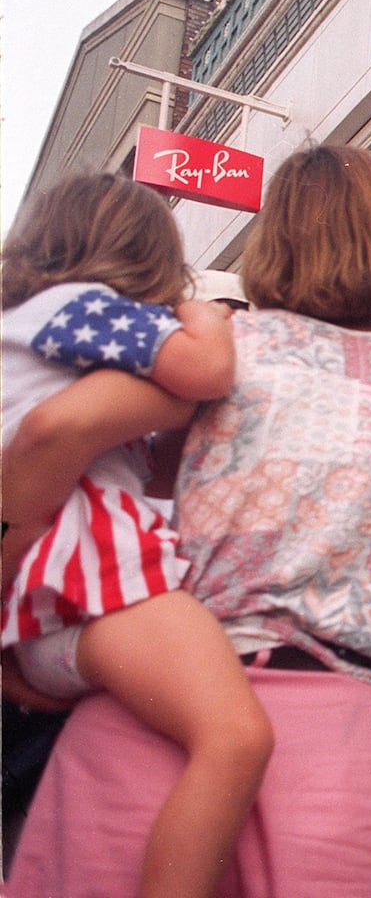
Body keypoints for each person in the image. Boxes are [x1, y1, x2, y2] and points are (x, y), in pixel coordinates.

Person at [4, 145, 371, 898]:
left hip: (151, 726)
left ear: (271, 244)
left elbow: (66, 449)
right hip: (344, 751)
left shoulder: (210, 355)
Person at [0, 172, 274, 898]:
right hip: (91, 572)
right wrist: (206, 313)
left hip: (51, 602)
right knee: (236, 739)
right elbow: (206, 367)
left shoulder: (25, 333)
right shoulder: (77, 310)